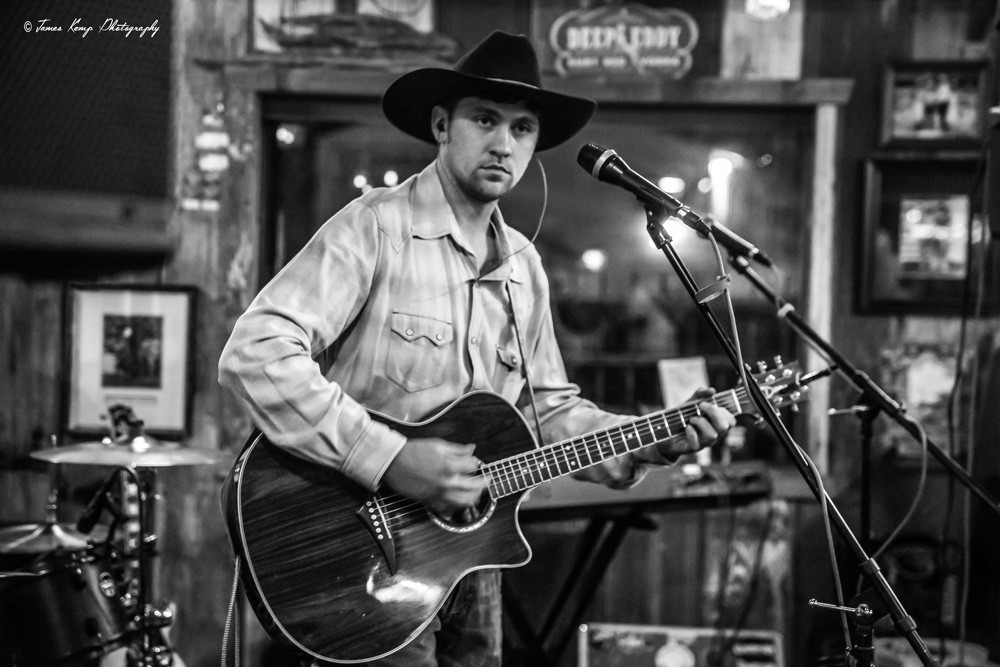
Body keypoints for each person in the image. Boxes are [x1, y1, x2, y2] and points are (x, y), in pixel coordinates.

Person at [218, 30, 735, 667]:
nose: (503, 143)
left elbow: (547, 413)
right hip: (362, 561)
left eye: (522, 129)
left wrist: (648, 438)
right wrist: (390, 459)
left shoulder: (525, 266)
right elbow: (256, 352)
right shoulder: (376, 227)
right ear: (442, 125)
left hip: (471, 559)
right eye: (485, 120)